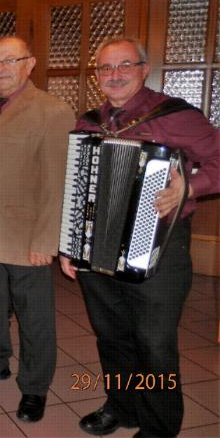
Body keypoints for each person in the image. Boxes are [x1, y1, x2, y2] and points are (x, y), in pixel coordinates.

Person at [60, 36, 220, 438]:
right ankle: (122, 406)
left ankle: (158, 428)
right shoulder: (88, 123)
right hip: (97, 249)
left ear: (143, 69)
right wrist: (71, 245)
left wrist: (190, 186)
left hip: (162, 248)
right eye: (106, 68)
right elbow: (78, 189)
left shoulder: (175, 115)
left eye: (124, 65)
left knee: (154, 342)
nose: (114, 75)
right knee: (111, 336)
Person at [0, 36, 74, 422]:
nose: (1, 69)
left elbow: (57, 183)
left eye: (10, 60)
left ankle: (34, 387)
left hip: (25, 237)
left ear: (30, 64)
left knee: (33, 317)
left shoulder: (52, 111)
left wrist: (46, 240)